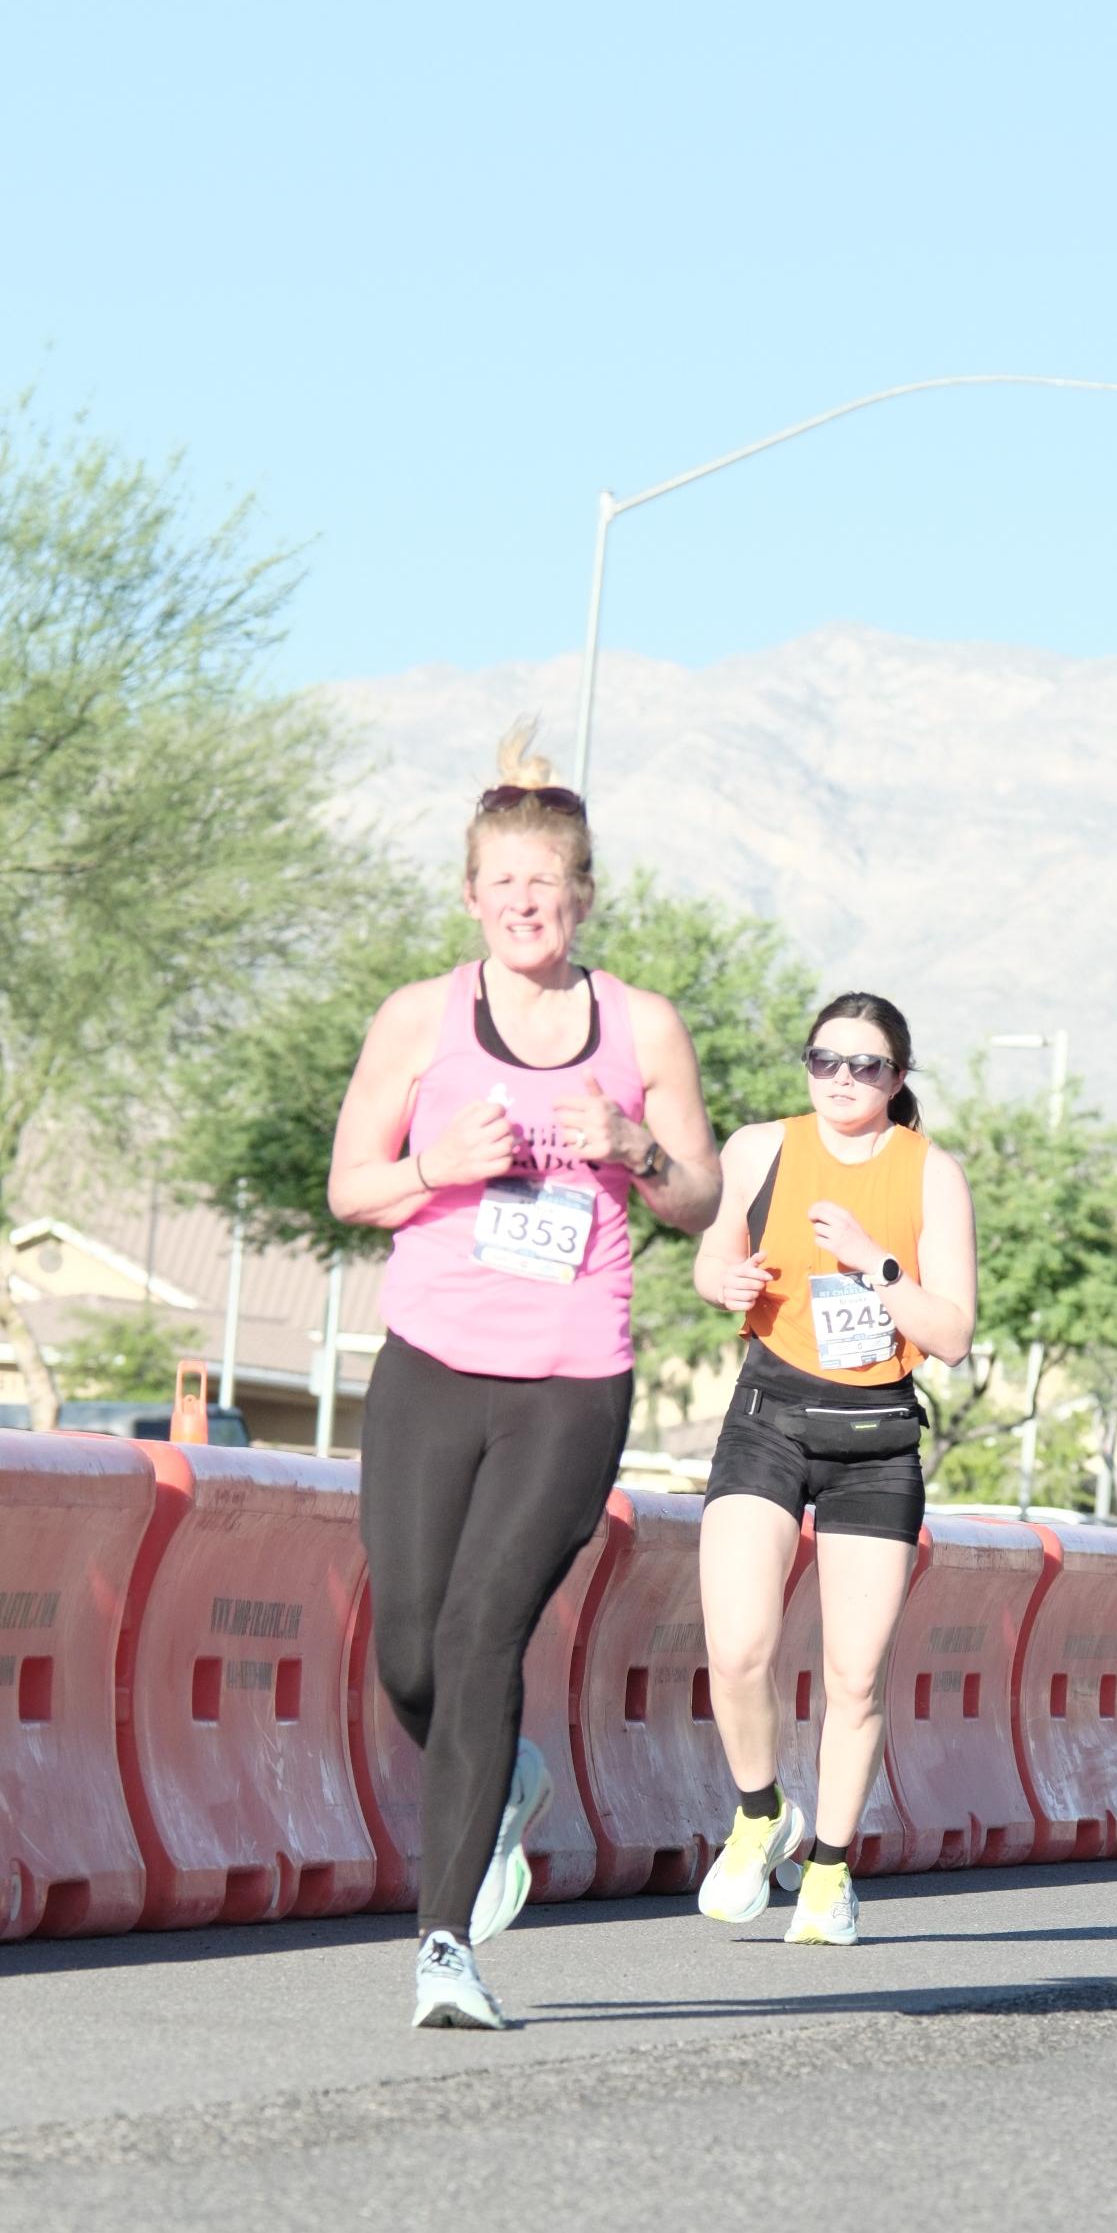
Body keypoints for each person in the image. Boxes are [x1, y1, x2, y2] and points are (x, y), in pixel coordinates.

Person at [328, 732, 720, 2028]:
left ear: (583, 895)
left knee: (480, 1635)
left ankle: (444, 1945)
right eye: (501, 882)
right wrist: (435, 1166)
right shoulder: (419, 1018)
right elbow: (350, 1188)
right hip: (432, 1367)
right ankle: (502, 1781)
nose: (524, 903)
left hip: (569, 1382)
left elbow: (699, 1197)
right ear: (470, 896)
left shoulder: (642, 1027)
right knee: (407, 1649)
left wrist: (635, 1147)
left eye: (545, 883)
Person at [690, 996, 978, 1946]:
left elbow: (953, 1335)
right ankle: (761, 1812)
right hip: (767, 1419)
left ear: (899, 1078)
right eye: (826, 1061)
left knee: (854, 1679)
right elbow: (713, 1257)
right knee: (738, 1647)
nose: (843, 1080)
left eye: (867, 1066)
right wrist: (724, 1281)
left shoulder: (931, 1174)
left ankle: (829, 1871)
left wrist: (873, 1264)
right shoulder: (758, 1148)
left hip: (876, 1440)